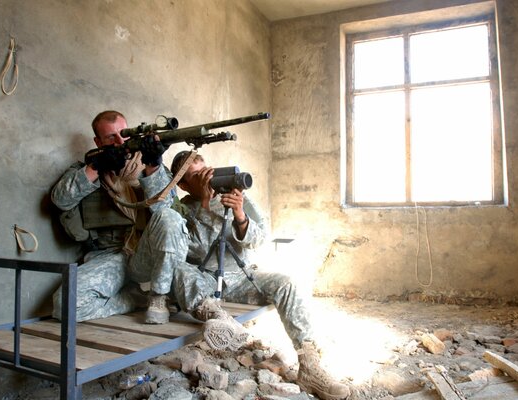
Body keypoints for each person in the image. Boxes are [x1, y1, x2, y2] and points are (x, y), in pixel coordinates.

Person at [148, 150, 350, 400]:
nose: (204, 179)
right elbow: (197, 252)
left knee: (285, 283)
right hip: (205, 280)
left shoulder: (234, 196)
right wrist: (204, 207)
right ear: (184, 184)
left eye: (205, 171)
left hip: (241, 277)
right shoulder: (182, 209)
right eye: (196, 177)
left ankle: (310, 365)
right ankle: (215, 317)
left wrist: (241, 217)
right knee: (178, 270)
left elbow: (259, 239)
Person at [50, 110, 188, 323]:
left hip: (147, 255)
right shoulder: (87, 169)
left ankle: (159, 297)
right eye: (110, 137)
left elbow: (165, 212)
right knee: (65, 305)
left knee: (169, 217)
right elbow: (61, 199)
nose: (120, 141)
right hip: (110, 257)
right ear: (98, 141)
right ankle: (136, 299)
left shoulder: (150, 167)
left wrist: (153, 166)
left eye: (124, 134)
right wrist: (97, 167)